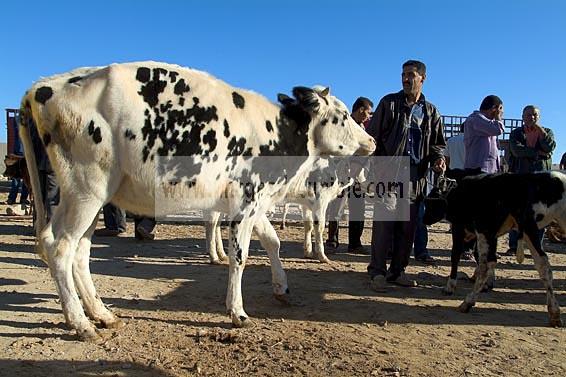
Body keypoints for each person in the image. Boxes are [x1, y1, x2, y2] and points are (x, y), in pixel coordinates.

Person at [367, 60, 446, 291]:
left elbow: (438, 144)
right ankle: (377, 272)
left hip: (415, 176)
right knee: (384, 224)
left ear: (423, 78)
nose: (405, 78)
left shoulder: (430, 111)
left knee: (407, 226)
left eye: (410, 74)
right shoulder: (389, 103)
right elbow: (373, 139)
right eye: (403, 74)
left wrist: (438, 159)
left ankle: (397, 271)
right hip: (389, 172)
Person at [325, 96, 374, 254]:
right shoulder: (343, 125)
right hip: (342, 173)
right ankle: (332, 240)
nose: (369, 115)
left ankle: (355, 243)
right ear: (361, 110)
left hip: (359, 176)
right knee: (337, 207)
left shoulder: (364, 129)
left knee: (358, 209)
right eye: (368, 112)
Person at [506, 105, 556, 254]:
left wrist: (541, 133)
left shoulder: (547, 132)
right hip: (520, 177)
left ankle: (535, 246)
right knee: (517, 212)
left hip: (541, 179)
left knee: (541, 213)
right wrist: (537, 153)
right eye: (528, 115)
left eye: (534, 115)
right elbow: (516, 150)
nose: (531, 118)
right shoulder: (516, 133)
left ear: (538, 117)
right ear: (522, 117)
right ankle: (514, 246)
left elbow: (549, 147)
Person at [463, 95, 504, 175]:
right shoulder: (476, 119)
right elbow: (498, 130)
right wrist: (498, 117)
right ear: (495, 108)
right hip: (478, 169)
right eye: (500, 109)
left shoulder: (487, 122)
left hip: (487, 170)